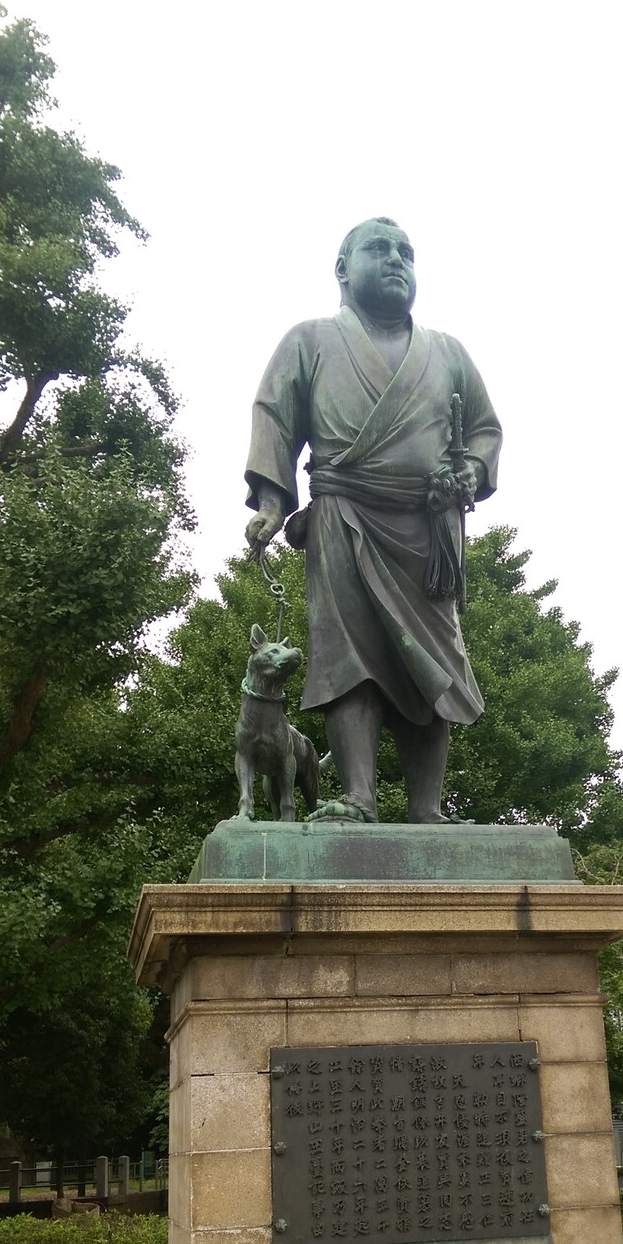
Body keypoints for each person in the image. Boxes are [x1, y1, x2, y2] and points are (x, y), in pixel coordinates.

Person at [244, 217, 502, 823]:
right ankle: (359, 795)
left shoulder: (448, 353)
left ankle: (427, 807)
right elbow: (275, 416)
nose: (396, 260)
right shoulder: (309, 340)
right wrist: (273, 502)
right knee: (348, 656)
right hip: (343, 514)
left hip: (429, 526)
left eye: (406, 252)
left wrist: (473, 470)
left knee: (434, 661)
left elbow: (486, 431)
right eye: (380, 249)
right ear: (343, 268)